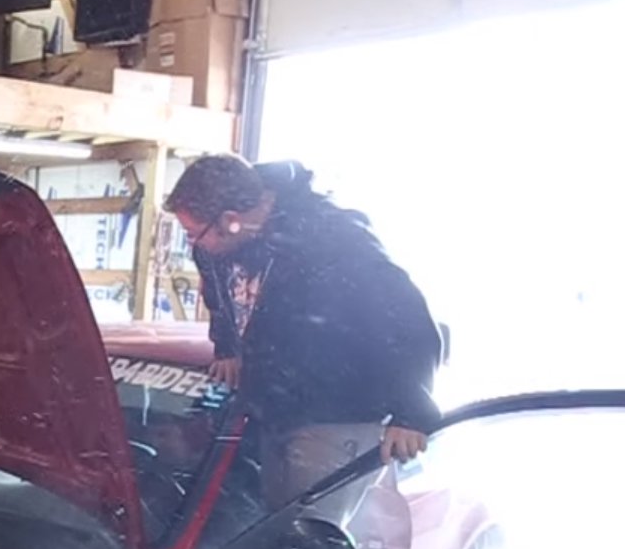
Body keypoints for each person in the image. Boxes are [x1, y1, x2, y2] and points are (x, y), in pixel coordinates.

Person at [164, 156, 442, 516]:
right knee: (266, 532)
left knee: (307, 535)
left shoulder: (334, 241)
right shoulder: (219, 248)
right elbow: (218, 294)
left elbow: (406, 316)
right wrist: (227, 345)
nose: (194, 246)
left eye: (193, 233)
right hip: (274, 410)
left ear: (231, 221)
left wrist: (412, 413)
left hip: (337, 413)